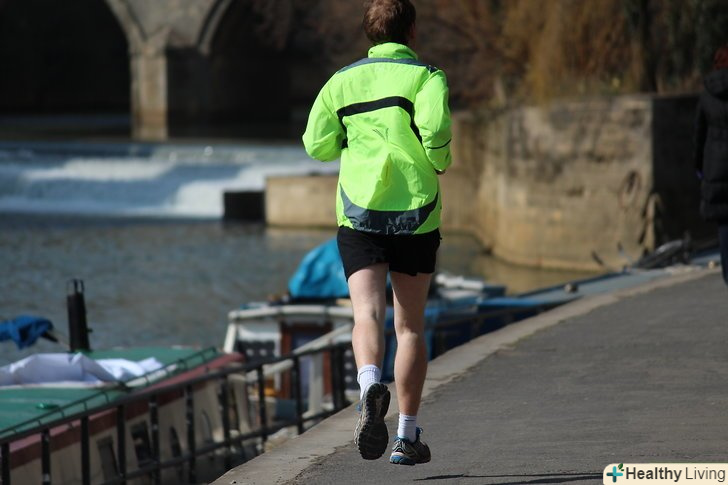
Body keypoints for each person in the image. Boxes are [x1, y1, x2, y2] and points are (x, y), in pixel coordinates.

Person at [302, 0, 452, 465]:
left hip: (359, 212)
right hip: (416, 214)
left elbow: (316, 144)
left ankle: (369, 384)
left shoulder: (341, 81)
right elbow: (436, 132)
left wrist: (349, 140)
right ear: (412, 30)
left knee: (365, 314)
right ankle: (407, 436)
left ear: (369, 33)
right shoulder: (426, 77)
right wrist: (439, 160)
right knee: (410, 327)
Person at [695, 43, 728, 286]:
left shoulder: (707, 95)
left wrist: (699, 167)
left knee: (724, 225)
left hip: (716, 169)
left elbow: (698, 135)